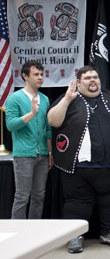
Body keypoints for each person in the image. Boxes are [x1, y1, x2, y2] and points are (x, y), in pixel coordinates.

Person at [47, 66, 110, 253]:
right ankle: (74, 236)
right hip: (78, 168)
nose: (93, 81)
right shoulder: (69, 98)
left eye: (95, 77)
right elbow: (53, 121)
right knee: (77, 204)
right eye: (87, 78)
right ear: (78, 82)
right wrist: (67, 99)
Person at [5, 61, 52, 219]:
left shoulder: (44, 99)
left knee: (39, 196)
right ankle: (17, 232)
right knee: (22, 196)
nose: (40, 77)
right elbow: (11, 125)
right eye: (36, 74)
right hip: (24, 154)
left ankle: (34, 231)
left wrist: (50, 151)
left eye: (41, 74)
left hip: (43, 155)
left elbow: (47, 127)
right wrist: (31, 113)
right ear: (25, 76)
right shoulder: (15, 99)